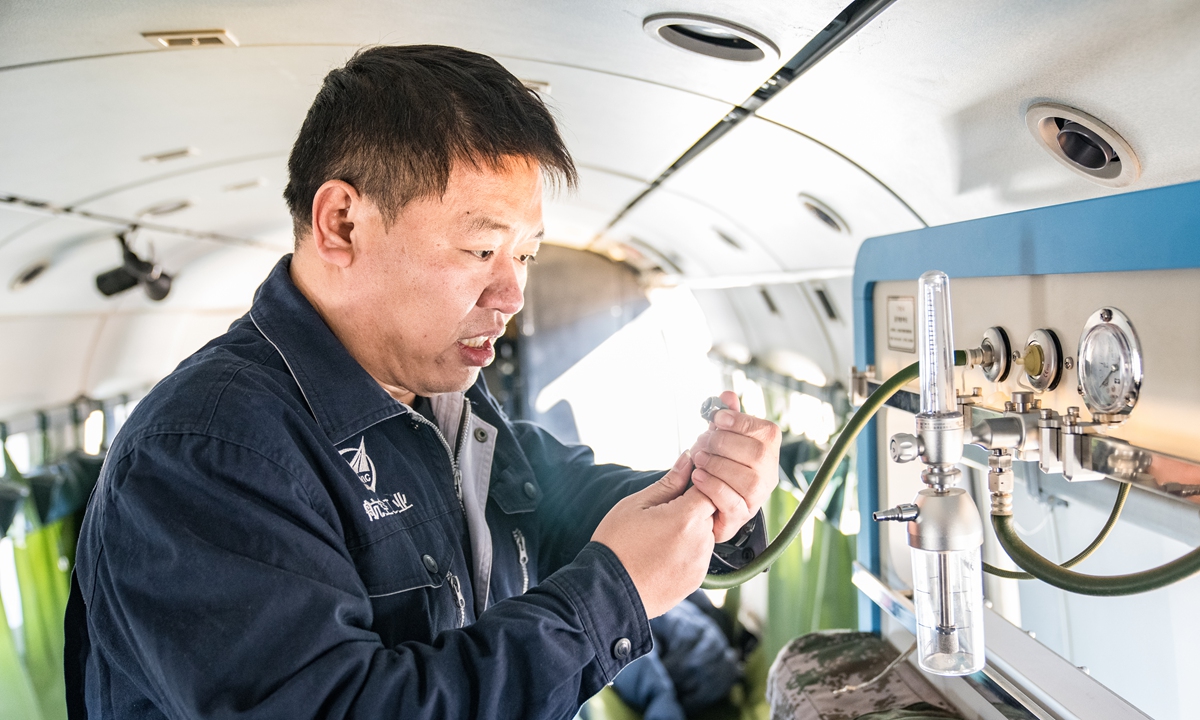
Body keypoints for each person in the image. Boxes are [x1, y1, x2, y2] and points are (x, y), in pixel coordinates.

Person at [64, 45, 780, 720]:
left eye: (524, 255)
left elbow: (555, 502)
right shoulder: (207, 455)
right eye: (480, 249)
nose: (512, 295)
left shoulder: (439, 400)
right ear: (340, 223)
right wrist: (609, 597)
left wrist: (711, 497)